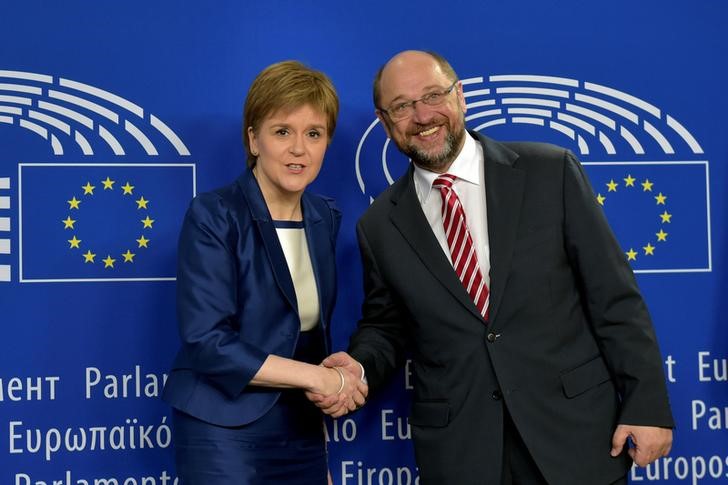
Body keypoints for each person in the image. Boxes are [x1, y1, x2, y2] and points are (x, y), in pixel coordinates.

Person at [318, 50, 673, 484]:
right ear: (385, 120)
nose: (422, 115)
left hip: (575, 438)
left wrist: (647, 406)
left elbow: (614, 297)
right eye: (403, 106)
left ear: (460, 96)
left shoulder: (550, 172)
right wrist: (358, 366)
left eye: (433, 95)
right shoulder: (378, 226)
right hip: (463, 453)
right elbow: (386, 327)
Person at [162, 60, 367, 484]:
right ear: (254, 139)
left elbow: (305, 335)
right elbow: (207, 342)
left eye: (313, 134)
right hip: (223, 428)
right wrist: (320, 378)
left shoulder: (323, 215)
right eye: (282, 132)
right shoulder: (214, 214)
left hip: (301, 429)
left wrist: (327, 410)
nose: (299, 149)